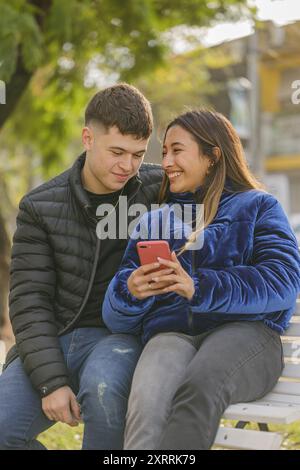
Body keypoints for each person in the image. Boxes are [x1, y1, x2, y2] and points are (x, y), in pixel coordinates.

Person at [102, 109, 300, 450]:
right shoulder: (155, 221)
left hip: (246, 335)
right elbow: (114, 318)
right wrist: (129, 291)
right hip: (172, 334)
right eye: (164, 152)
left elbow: (282, 280)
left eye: (177, 150)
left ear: (213, 156)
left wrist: (200, 286)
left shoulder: (258, 206)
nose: (166, 162)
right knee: (145, 405)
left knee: (199, 385)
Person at [0, 83, 163, 450]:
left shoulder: (159, 189)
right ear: (88, 138)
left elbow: (225, 189)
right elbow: (29, 301)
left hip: (119, 337)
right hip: (53, 337)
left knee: (103, 390)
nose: (127, 166)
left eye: (138, 154)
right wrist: (51, 382)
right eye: (117, 151)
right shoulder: (40, 207)